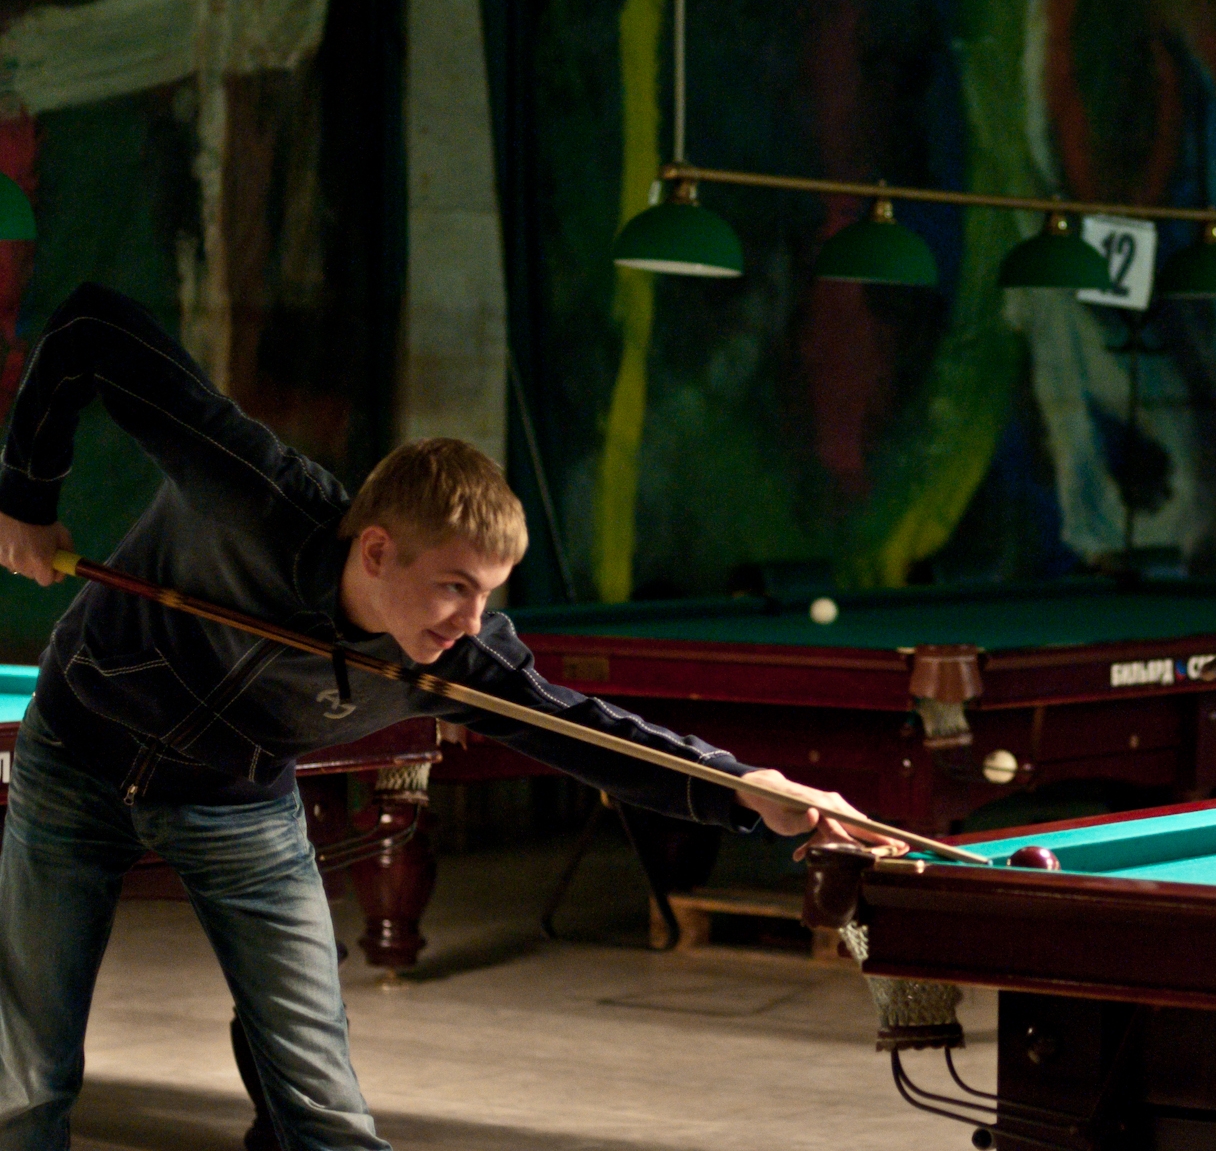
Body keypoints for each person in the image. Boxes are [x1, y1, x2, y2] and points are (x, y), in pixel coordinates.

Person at [0, 283, 895, 1150]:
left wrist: (745, 789)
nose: (470, 622)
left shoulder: (456, 658)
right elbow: (93, 328)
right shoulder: (255, 492)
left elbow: (590, 732)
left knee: (325, 1111)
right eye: (453, 587)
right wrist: (25, 498)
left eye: (487, 595)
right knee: (28, 1083)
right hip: (76, 758)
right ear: (377, 550)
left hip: (236, 800)